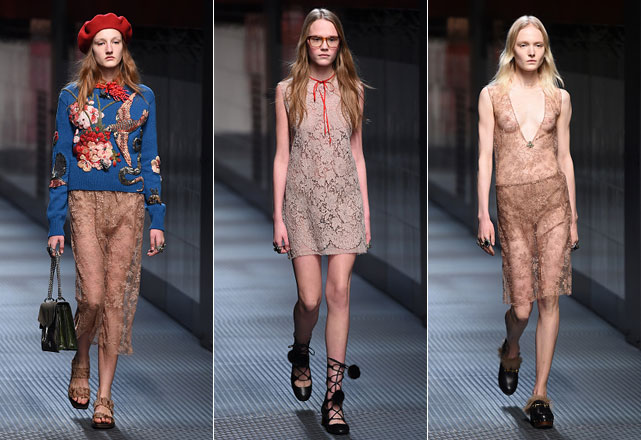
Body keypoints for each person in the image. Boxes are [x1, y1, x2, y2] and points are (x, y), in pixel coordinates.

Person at [46, 13, 165, 430]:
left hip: (130, 205)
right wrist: (55, 223)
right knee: (93, 297)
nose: (109, 48)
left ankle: (104, 395)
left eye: (115, 41)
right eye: (101, 42)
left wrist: (157, 215)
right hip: (83, 202)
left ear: (124, 47)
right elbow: (60, 161)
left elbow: (150, 158)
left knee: (115, 300)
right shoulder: (71, 97)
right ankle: (81, 359)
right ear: (90, 49)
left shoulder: (143, 97)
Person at [272, 8, 371, 436]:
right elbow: (282, 156)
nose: (324, 45)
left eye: (331, 39)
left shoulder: (354, 90)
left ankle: (334, 397)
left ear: (339, 43)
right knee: (310, 300)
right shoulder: (287, 90)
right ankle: (301, 349)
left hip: (345, 202)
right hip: (301, 204)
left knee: (339, 293)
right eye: (317, 39)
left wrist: (366, 211)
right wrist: (277, 216)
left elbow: (358, 155)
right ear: (306, 44)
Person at [476, 15, 578, 429]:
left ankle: (539, 394)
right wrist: (483, 213)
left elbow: (565, 157)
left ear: (545, 49)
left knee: (550, 298)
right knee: (522, 307)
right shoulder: (492, 95)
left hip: (554, 204)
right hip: (512, 208)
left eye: (538, 45)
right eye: (524, 45)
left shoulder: (560, 97)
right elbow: (485, 157)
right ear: (511, 49)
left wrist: (574, 217)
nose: (531, 52)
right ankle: (511, 348)